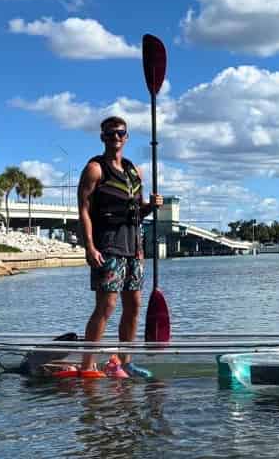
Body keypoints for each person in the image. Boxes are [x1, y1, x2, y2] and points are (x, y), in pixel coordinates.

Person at [77, 116, 163, 378]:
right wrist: (89, 247)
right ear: (102, 137)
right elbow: (83, 210)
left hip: (134, 247)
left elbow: (135, 213)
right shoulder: (95, 169)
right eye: (110, 134)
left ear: (126, 137)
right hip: (108, 246)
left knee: (134, 304)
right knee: (107, 305)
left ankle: (124, 362)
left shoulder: (133, 171)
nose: (115, 137)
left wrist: (150, 206)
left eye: (120, 133)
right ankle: (87, 365)